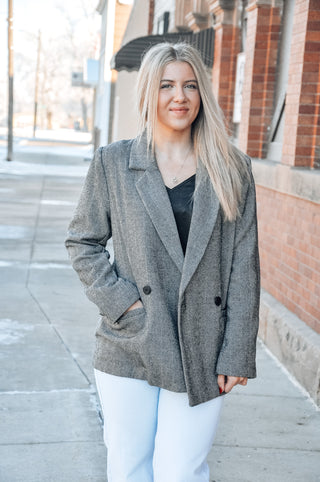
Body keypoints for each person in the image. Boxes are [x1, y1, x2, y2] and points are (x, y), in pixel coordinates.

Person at [65, 42, 260, 482]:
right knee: (129, 468)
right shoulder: (113, 163)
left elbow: (244, 266)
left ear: (202, 94)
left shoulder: (232, 169)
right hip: (131, 342)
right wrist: (125, 305)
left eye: (191, 85)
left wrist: (237, 350)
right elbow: (83, 241)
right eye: (168, 85)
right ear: (150, 93)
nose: (180, 96)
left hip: (203, 346)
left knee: (181, 471)